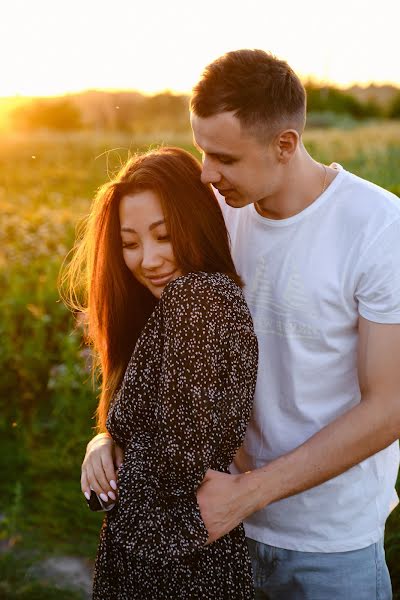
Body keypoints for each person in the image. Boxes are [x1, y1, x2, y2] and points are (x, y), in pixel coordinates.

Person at [82, 50, 400, 599]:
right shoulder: (212, 213)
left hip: (329, 543)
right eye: (203, 151)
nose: (207, 173)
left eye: (224, 157)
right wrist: (108, 437)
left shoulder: (377, 229)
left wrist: (250, 492)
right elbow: (157, 346)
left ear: (285, 145)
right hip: (217, 533)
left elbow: (389, 405)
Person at [66, 146, 258, 599]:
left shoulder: (198, 299)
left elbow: (172, 467)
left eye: (164, 236)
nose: (147, 259)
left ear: (196, 224)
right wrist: (106, 442)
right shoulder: (169, 311)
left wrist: (117, 475)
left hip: (176, 567)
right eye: (130, 244)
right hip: (159, 556)